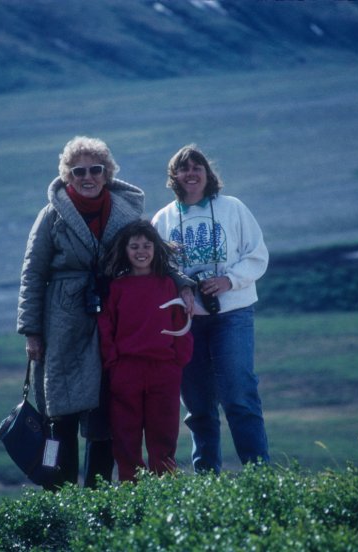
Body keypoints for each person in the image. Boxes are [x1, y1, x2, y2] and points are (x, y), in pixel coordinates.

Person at [17, 136, 142, 489]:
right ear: (68, 176)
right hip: (62, 324)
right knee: (61, 411)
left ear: (107, 172)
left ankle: (97, 495)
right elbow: (32, 273)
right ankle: (61, 492)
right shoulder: (51, 216)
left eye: (95, 169)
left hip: (109, 321)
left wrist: (181, 285)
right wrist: (31, 331)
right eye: (79, 171)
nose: (88, 177)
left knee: (104, 410)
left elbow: (147, 255)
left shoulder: (126, 213)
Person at [152, 144, 270, 474]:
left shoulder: (233, 208)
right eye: (183, 168)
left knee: (239, 396)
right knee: (198, 406)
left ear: (208, 173)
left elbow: (257, 255)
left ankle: (260, 476)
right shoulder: (163, 218)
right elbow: (159, 270)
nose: (191, 173)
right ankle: (208, 480)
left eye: (197, 167)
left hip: (232, 314)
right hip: (187, 320)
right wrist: (183, 289)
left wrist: (228, 281)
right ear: (173, 176)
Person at [97, 220, 194, 482]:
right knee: (125, 436)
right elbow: (106, 327)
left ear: (156, 248)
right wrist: (113, 364)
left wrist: (177, 362)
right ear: (124, 250)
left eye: (147, 245)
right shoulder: (117, 287)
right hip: (126, 369)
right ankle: (132, 489)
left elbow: (180, 324)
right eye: (134, 246)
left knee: (163, 434)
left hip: (164, 369)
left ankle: (164, 489)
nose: (141, 251)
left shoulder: (167, 284)